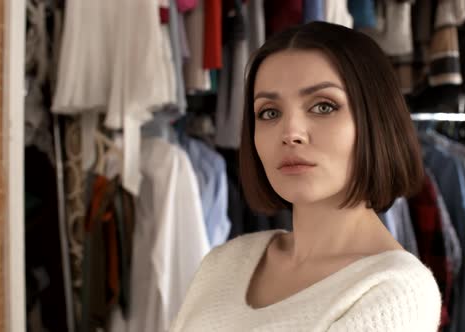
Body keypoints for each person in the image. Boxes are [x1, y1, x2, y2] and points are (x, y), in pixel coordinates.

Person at [170, 21, 441, 331]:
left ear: (375, 122)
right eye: (269, 112)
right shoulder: (224, 263)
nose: (290, 133)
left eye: (323, 106)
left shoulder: (397, 291)